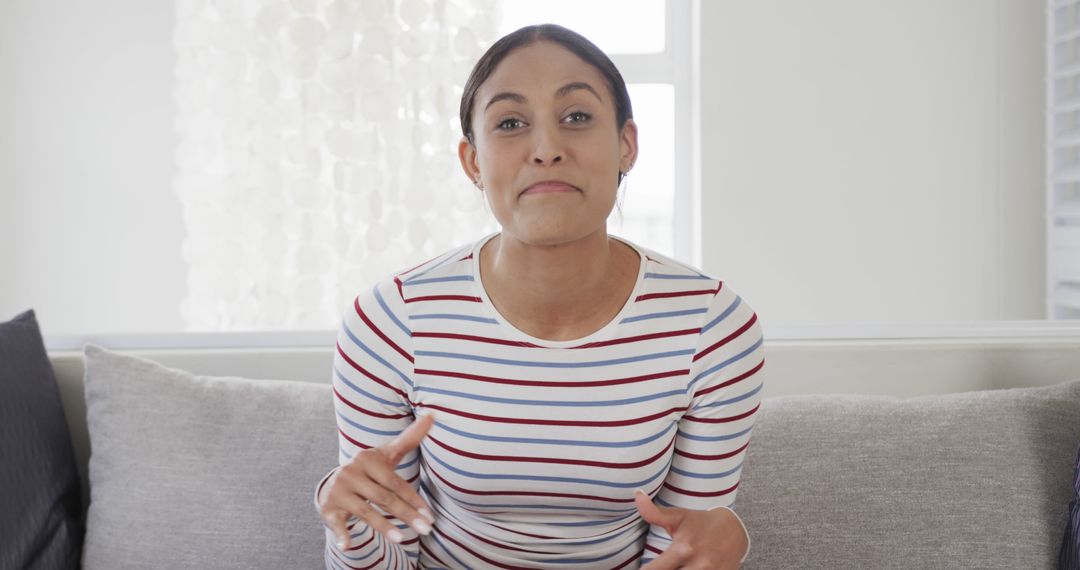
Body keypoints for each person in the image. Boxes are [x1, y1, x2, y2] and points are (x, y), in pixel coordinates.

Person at [315, 24, 765, 570]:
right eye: (510, 123)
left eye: (576, 117)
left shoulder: (714, 330)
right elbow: (384, 558)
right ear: (473, 162)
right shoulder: (389, 323)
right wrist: (353, 524)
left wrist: (721, 543)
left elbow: (684, 547)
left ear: (626, 145)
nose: (547, 149)